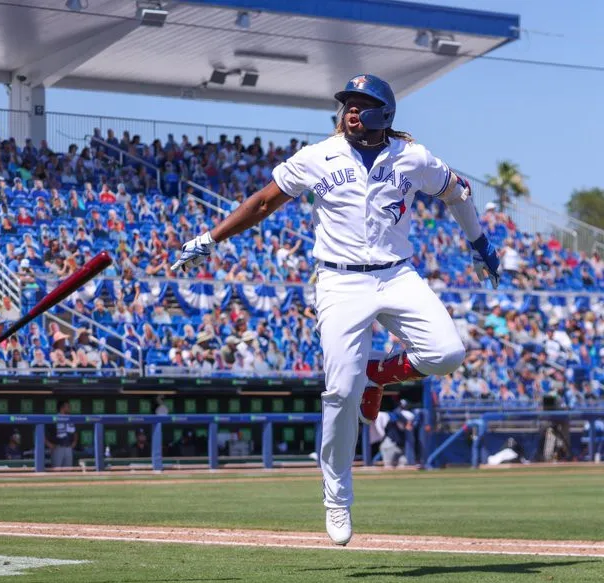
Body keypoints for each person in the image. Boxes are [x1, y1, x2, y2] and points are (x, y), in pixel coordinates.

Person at [171, 74, 500, 545]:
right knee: (341, 392)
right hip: (340, 280)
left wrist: (480, 244)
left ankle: (378, 374)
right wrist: (211, 238)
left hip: (396, 273)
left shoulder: (412, 157)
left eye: (362, 103)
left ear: (384, 114)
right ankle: (337, 497)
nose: (350, 110)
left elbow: (458, 191)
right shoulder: (318, 156)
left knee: (447, 354)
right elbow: (264, 201)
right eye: (347, 103)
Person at [46, 399, 77, 468]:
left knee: (68, 470)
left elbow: (74, 432)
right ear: (62, 408)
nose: (69, 408)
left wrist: (75, 442)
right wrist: (49, 444)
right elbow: (43, 433)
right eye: (68, 407)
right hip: (57, 447)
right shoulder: (54, 419)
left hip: (68, 447)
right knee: (57, 469)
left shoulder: (71, 418)